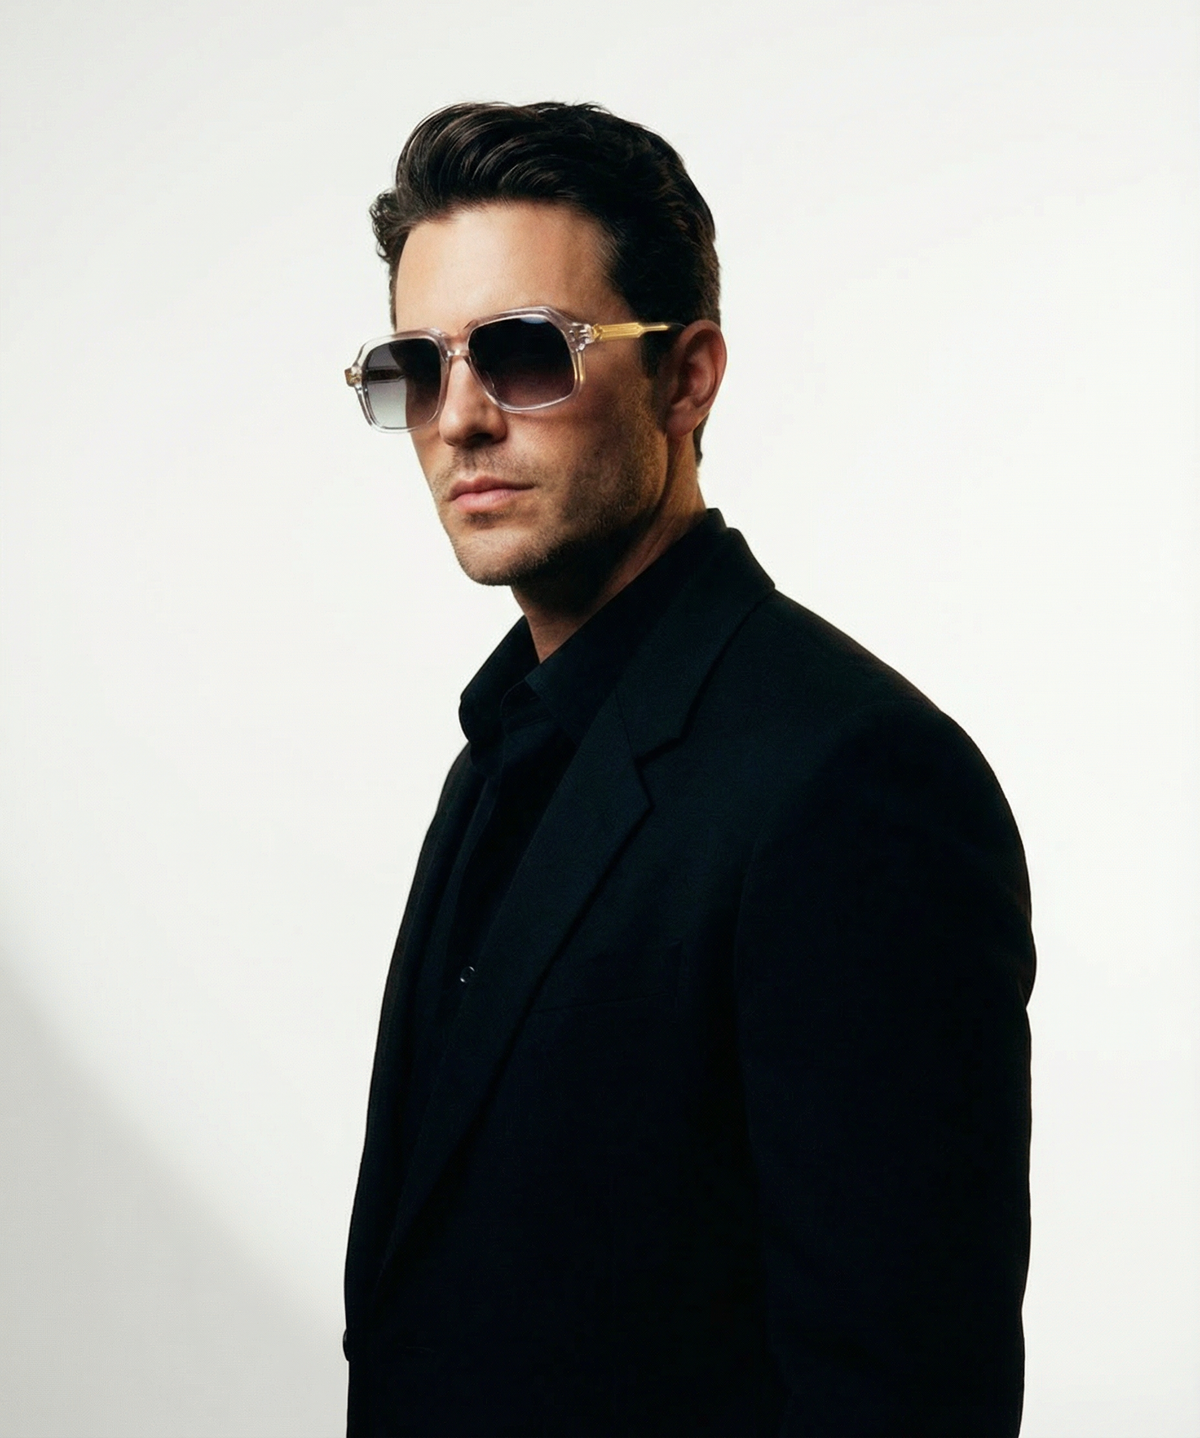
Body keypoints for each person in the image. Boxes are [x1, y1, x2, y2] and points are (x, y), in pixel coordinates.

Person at [342, 101, 1034, 1438]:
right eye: (416, 369)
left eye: (524, 353)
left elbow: (900, 1394)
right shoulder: (503, 751)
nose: (460, 419)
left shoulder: (856, 783)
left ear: (688, 377)